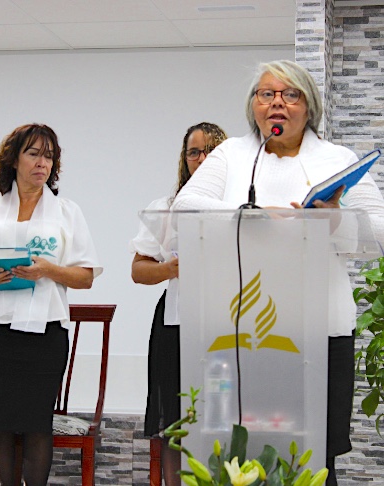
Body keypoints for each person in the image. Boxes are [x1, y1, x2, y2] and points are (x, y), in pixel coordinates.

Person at [171, 60, 384, 485]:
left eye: (291, 95)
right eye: (266, 95)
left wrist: (334, 218)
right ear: (253, 106)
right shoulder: (232, 155)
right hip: (234, 331)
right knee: (239, 449)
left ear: (310, 107)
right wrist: (251, 213)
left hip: (320, 329)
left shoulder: (336, 159)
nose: (277, 104)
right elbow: (184, 208)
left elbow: (378, 232)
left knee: (315, 456)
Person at [0, 124, 102, 486]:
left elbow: (85, 277)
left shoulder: (67, 212)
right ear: (14, 159)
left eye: (49, 156)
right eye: (34, 153)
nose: (42, 163)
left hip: (43, 336)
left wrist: (48, 269)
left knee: (37, 428)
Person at [130, 122, 227, 486]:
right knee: (176, 424)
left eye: (210, 152)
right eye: (193, 152)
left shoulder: (237, 207)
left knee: (219, 418)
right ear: (183, 159)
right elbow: (139, 270)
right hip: (174, 324)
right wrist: (170, 268)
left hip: (224, 327)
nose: (201, 159)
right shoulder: (166, 208)